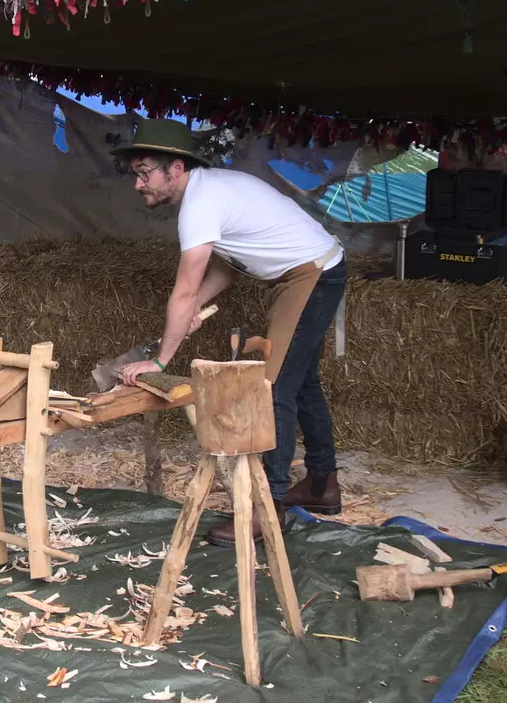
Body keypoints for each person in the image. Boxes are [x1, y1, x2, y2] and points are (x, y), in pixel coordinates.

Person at [110, 118, 346, 544]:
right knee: (303, 381)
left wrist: (162, 358)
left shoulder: (201, 203)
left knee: (272, 388)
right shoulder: (208, 191)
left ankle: (267, 509)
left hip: (311, 275)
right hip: (309, 272)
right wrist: (199, 305)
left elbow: (182, 292)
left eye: (145, 172)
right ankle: (321, 485)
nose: (138, 184)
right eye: (136, 174)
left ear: (175, 169)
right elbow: (225, 265)